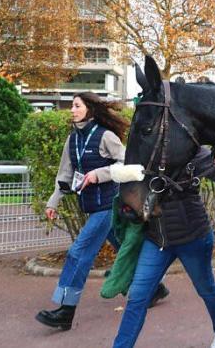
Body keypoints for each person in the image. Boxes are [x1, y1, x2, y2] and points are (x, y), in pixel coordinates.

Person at [35, 93, 168, 331]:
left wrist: (100, 175)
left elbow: (126, 164)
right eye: (72, 106)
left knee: (78, 253)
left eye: (77, 106)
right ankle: (156, 288)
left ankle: (66, 310)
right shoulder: (72, 140)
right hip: (91, 206)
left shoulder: (105, 136)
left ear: (90, 110)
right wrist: (53, 202)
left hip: (110, 205)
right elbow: (64, 175)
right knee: (122, 248)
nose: (72, 110)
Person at [112, 147, 215, 348]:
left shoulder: (195, 152)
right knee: (137, 296)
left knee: (206, 289)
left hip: (192, 238)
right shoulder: (146, 152)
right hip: (157, 240)